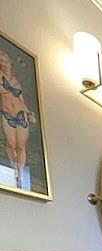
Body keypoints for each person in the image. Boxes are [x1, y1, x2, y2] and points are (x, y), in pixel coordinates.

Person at [0, 50, 35, 188]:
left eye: (3, 56)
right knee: (11, 144)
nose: (2, 59)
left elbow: (21, 98)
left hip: (21, 112)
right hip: (7, 112)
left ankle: (20, 175)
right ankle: (14, 170)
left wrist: (28, 112)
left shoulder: (16, 78)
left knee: (21, 146)